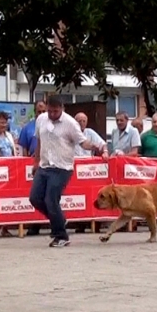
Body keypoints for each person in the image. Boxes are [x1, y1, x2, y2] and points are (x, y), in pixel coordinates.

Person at [31, 95, 108, 247]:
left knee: (51, 199)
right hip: (45, 164)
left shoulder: (71, 123)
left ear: (62, 109)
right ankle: (59, 220)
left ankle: (61, 236)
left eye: (56, 111)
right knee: (34, 198)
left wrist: (96, 147)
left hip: (62, 167)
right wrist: (36, 161)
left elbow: (83, 142)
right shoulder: (41, 120)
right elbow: (39, 140)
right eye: (50, 111)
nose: (53, 114)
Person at [18, 100, 47, 236]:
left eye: (43, 111)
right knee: (34, 197)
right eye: (39, 111)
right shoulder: (27, 128)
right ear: (34, 112)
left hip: (49, 164)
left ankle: (54, 223)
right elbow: (24, 149)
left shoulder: (51, 126)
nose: (41, 114)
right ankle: (34, 225)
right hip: (34, 166)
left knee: (49, 197)